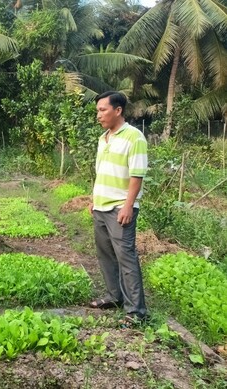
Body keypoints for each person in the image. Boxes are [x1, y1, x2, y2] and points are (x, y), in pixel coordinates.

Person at [88, 91, 148, 326]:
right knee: (105, 255)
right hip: (101, 206)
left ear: (118, 110)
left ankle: (137, 312)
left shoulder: (134, 137)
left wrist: (128, 206)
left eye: (102, 110)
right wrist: (94, 199)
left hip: (119, 208)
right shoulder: (103, 138)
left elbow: (137, 175)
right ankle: (114, 297)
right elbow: (100, 172)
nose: (98, 115)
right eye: (97, 111)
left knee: (126, 258)